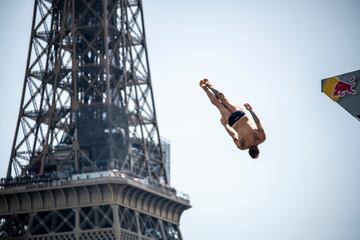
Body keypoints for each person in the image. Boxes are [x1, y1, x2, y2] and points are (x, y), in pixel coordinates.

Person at [199, 79, 266, 159]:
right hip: (239, 117)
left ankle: (206, 88)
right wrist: (250, 110)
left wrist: (225, 125)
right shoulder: (261, 138)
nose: (252, 148)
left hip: (233, 121)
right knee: (222, 99)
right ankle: (209, 86)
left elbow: (233, 136)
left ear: (249, 152)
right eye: (254, 150)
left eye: (252, 151)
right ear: (258, 150)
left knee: (219, 103)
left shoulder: (243, 146)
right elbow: (257, 122)